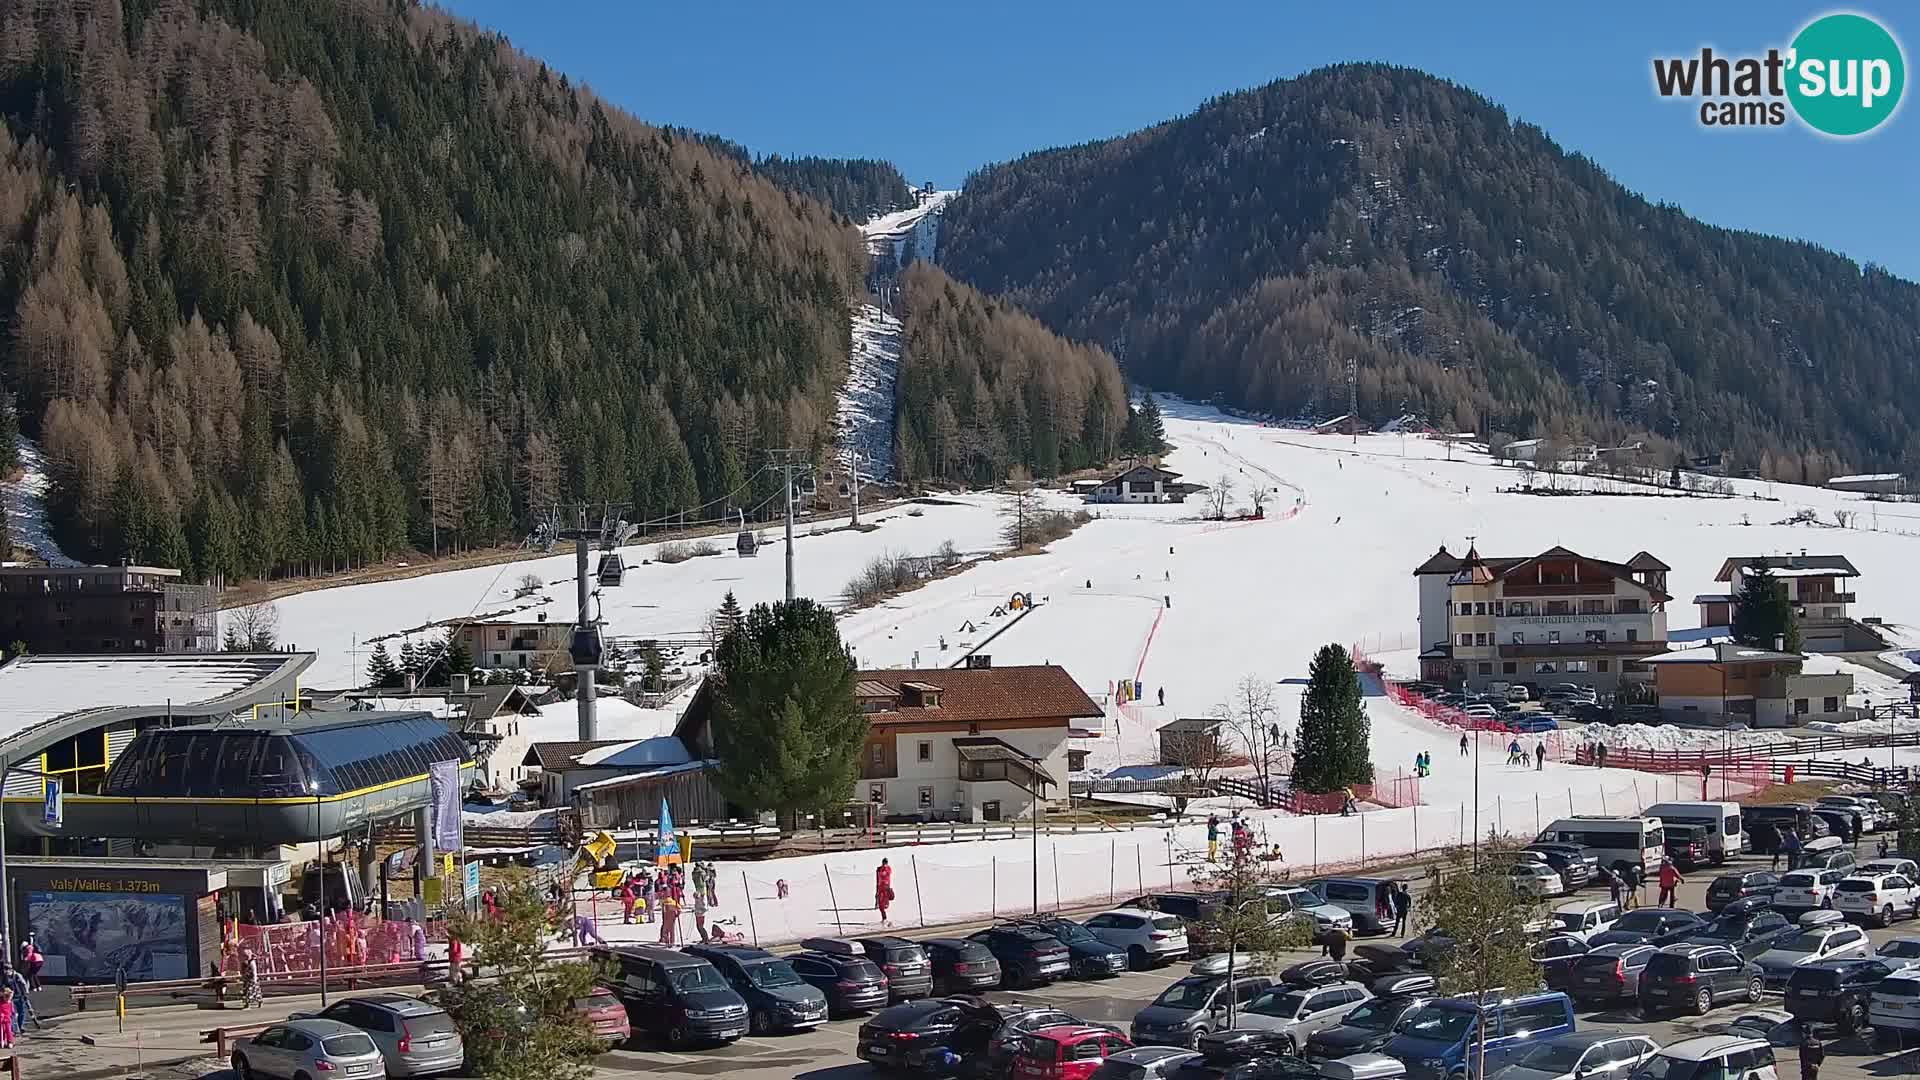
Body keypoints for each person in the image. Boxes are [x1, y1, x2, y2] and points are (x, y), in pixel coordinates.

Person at [875, 858, 895, 925]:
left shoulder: (888, 869)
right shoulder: (880, 869)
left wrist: (881, 869)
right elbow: (879, 878)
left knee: (885, 905)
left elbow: (885, 873)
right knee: (881, 905)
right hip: (881, 889)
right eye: (883, 863)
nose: (884, 864)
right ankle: (884, 918)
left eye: (885, 863)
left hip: (886, 888)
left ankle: (887, 919)